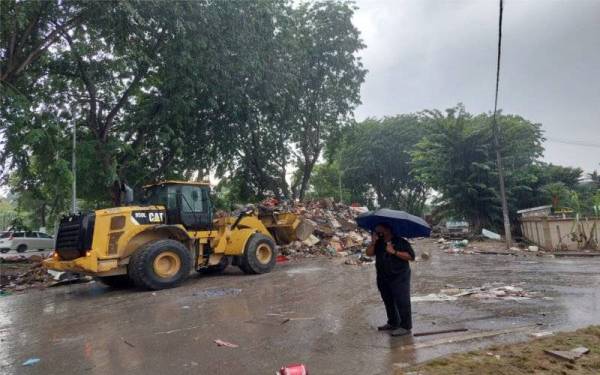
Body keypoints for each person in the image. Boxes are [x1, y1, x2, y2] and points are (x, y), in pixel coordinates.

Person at [365, 223, 415, 336]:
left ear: (387, 230)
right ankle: (393, 322)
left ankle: (406, 327)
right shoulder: (378, 242)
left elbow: (411, 257)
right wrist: (373, 242)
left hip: (399, 276)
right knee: (388, 300)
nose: (376, 230)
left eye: (379, 228)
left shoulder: (400, 241)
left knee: (402, 301)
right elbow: (368, 253)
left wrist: (394, 252)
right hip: (383, 276)